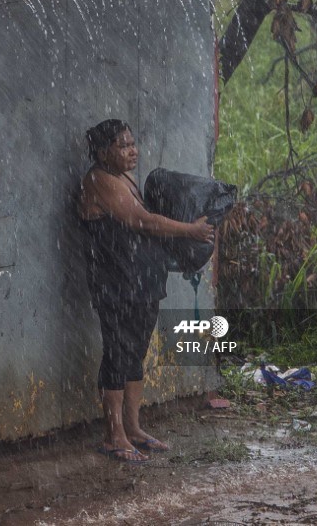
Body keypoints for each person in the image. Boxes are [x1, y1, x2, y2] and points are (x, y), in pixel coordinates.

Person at [77, 119, 215, 464]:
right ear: (103, 151)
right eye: (123, 146)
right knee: (117, 353)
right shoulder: (98, 180)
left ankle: (134, 428)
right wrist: (190, 231)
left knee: (135, 353)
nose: (133, 150)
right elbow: (142, 221)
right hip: (116, 284)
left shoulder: (124, 178)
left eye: (133, 143)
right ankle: (113, 435)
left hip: (142, 283)